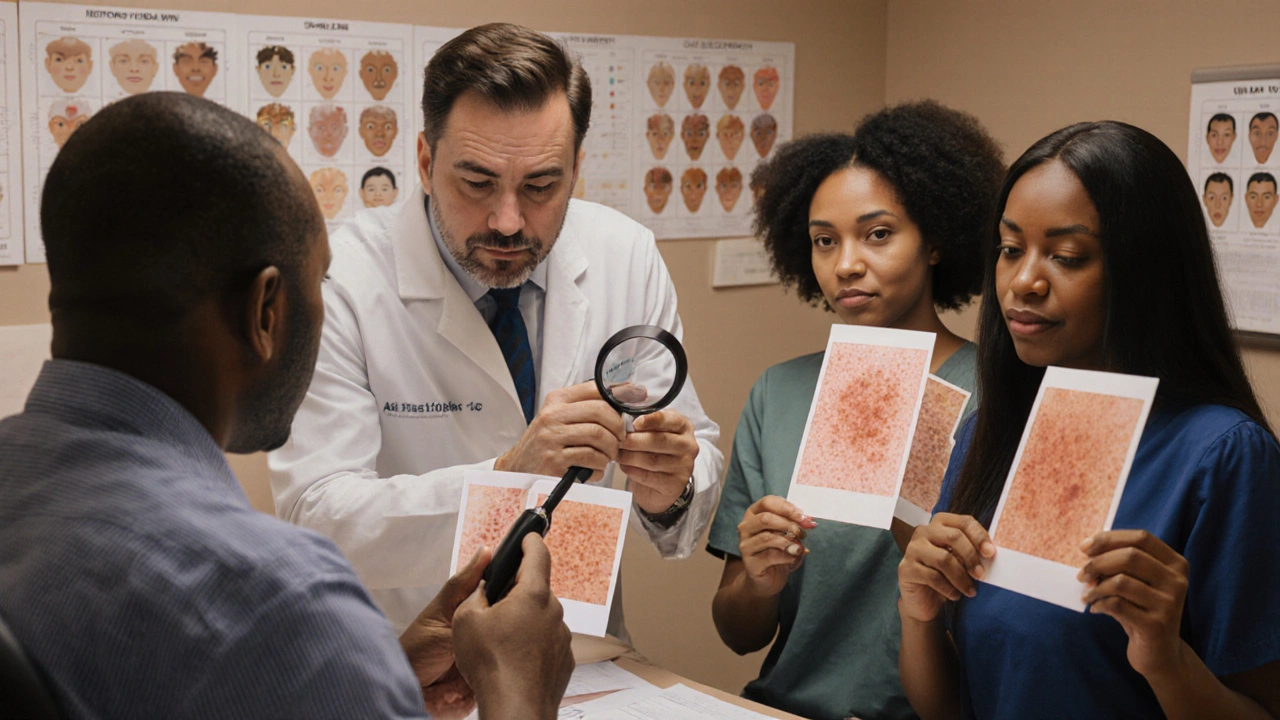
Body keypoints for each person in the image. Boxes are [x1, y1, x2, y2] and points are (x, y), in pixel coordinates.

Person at [0, 92, 573, 720]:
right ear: (265, 312)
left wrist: (386, 681)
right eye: (319, 281)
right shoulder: (274, 598)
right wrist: (518, 687)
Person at [270, 22, 723, 640]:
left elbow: (693, 460)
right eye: (477, 183)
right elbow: (317, 517)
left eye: (541, 186)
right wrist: (509, 474)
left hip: (580, 655)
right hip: (405, 661)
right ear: (426, 162)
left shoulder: (626, 255)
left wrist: (670, 485)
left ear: (575, 168)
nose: (508, 221)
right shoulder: (340, 279)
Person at [897, 121, 1280, 720]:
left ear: (1145, 271)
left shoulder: (1223, 455)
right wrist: (917, 612)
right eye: (1010, 249)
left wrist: (1166, 661)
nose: (1024, 282)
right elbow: (947, 708)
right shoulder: (989, 434)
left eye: (1067, 256)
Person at [708, 101, 1004, 720]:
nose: (845, 264)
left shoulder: (997, 395)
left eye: (878, 234)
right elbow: (737, 634)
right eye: (824, 241)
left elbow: (1011, 636)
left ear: (935, 241)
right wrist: (760, 579)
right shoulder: (778, 393)